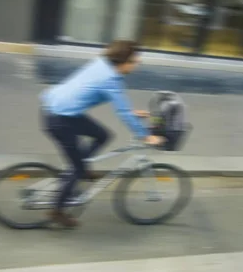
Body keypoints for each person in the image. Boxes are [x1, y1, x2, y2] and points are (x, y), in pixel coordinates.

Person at [40, 40, 163, 228]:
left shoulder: (102, 64)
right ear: (123, 62)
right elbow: (121, 111)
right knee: (77, 168)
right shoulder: (110, 80)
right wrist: (146, 135)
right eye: (135, 61)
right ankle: (57, 211)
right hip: (60, 119)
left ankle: (82, 167)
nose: (137, 64)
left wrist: (131, 112)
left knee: (103, 135)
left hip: (57, 108)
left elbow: (119, 105)